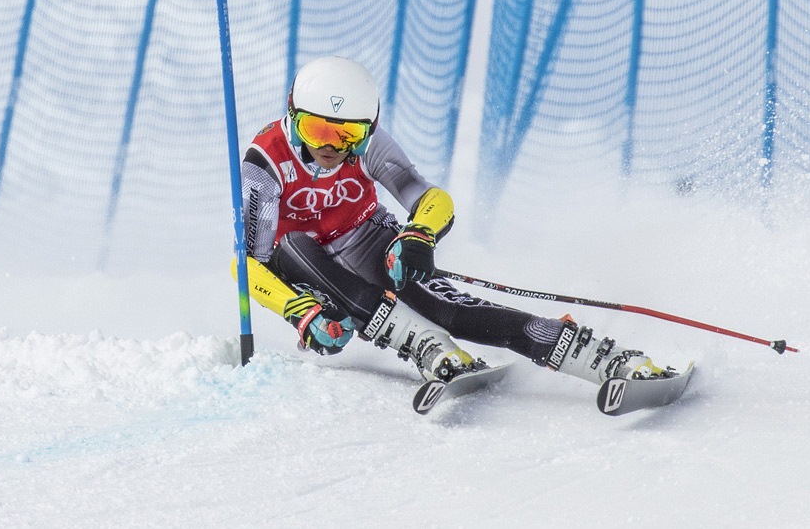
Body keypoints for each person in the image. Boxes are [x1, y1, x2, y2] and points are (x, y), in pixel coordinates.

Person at [234, 55, 668, 388]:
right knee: (294, 246)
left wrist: (419, 233)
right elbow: (248, 264)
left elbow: (427, 195)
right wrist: (299, 312)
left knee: (453, 310)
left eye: (347, 134)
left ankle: (596, 355)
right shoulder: (265, 162)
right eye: (317, 130)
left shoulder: (369, 145)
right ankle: (426, 345)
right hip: (304, 269)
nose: (332, 146)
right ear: (293, 117)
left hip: (368, 239)